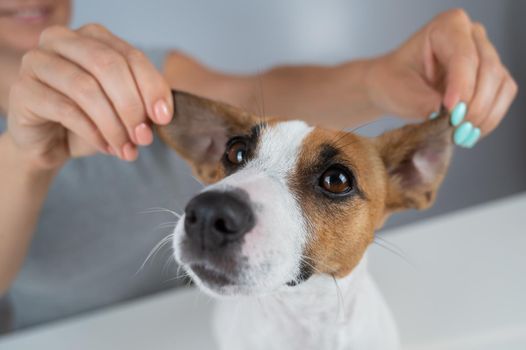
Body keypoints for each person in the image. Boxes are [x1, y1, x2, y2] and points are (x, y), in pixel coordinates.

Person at [0, 0, 517, 332]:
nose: (222, 205)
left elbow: (253, 95)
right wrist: (26, 156)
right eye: (241, 156)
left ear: (410, 178)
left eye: (334, 181)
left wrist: (380, 79)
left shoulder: (141, 78)